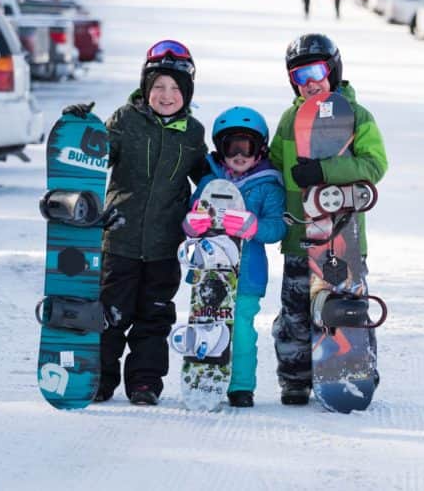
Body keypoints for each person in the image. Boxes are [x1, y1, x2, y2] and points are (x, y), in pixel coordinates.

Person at [65, 40, 209, 406]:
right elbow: (97, 155)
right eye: (158, 85)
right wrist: (79, 127)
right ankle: (100, 379)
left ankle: (145, 383)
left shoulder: (192, 133)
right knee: (110, 315)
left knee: (154, 318)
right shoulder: (125, 120)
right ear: (146, 87)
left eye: (176, 88)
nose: (166, 94)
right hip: (120, 239)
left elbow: (206, 178)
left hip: (164, 245)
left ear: (187, 93)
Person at [269, 34, 388, 404]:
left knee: (344, 307)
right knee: (294, 316)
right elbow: (273, 165)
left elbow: (374, 164)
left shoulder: (358, 116)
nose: (309, 82)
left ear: (334, 70)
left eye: (317, 71)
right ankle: (295, 378)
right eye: (299, 76)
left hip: (342, 238)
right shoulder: (290, 119)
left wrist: (324, 170)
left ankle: (356, 367)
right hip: (297, 237)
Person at [184, 107, 286, 408]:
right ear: (221, 148)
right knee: (207, 325)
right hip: (210, 271)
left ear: (260, 150)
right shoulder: (208, 183)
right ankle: (205, 377)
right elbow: (191, 215)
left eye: (248, 147)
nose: (239, 155)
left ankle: (240, 385)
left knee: (240, 331)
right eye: (232, 147)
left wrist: (253, 226)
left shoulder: (268, 185)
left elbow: (278, 226)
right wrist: (193, 224)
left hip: (247, 275)